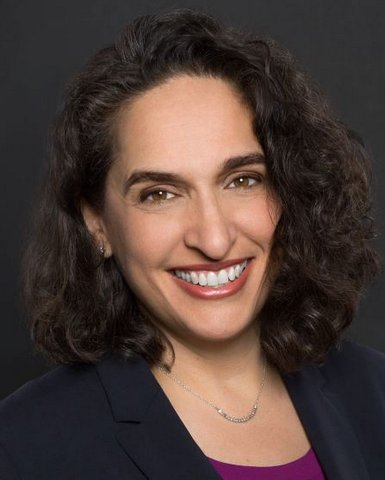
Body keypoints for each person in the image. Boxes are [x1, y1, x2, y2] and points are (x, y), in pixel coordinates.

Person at [0, 8, 384, 480]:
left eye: (243, 180)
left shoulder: (376, 391)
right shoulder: (24, 447)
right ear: (96, 223)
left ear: (291, 190)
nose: (214, 238)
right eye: (159, 194)